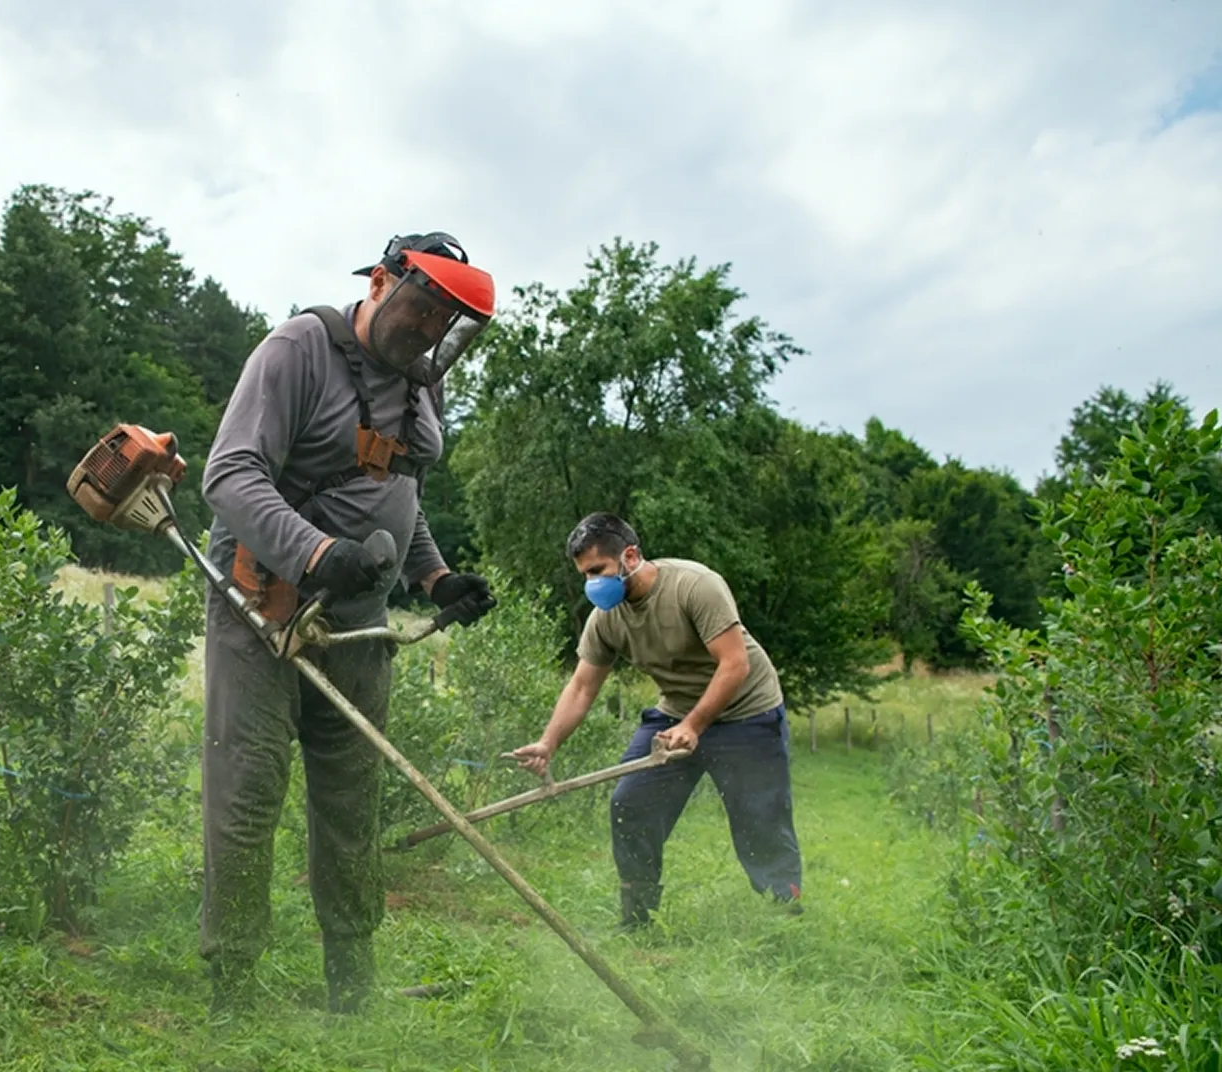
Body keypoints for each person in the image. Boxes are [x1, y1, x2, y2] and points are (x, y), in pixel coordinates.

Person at [198, 232, 501, 1015]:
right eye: (421, 307)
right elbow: (228, 474)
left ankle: (352, 986)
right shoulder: (298, 350)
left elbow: (396, 494)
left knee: (351, 800)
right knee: (248, 790)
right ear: (379, 284)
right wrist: (314, 551)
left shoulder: (423, 386)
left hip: (359, 624)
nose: (428, 328)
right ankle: (233, 984)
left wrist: (433, 576)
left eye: (444, 319)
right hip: (263, 608)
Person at [511, 512, 803, 929]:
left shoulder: (694, 586)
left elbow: (734, 665)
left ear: (630, 556)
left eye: (598, 570)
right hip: (675, 714)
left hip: (748, 714)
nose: (592, 583)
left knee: (761, 822)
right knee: (631, 804)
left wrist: (694, 726)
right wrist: (548, 742)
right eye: (585, 574)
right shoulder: (606, 619)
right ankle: (638, 919)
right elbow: (582, 687)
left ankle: (785, 915)